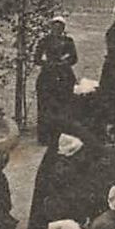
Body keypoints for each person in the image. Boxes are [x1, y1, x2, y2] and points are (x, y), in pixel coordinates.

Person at [34, 17, 79, 146]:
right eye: (55, 26)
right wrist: (48, 63)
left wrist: (65, 62)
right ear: (51, 27)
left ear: (63, 28)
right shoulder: (44, 41)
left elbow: (74, 58)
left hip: (64, 76)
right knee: (46, 106)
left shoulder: (68, 41)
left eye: (60, 27)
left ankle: (61, 135)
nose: (57, 29)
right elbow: (37, 58)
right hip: (48, 76)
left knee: (63, 105)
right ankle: (44, 136)